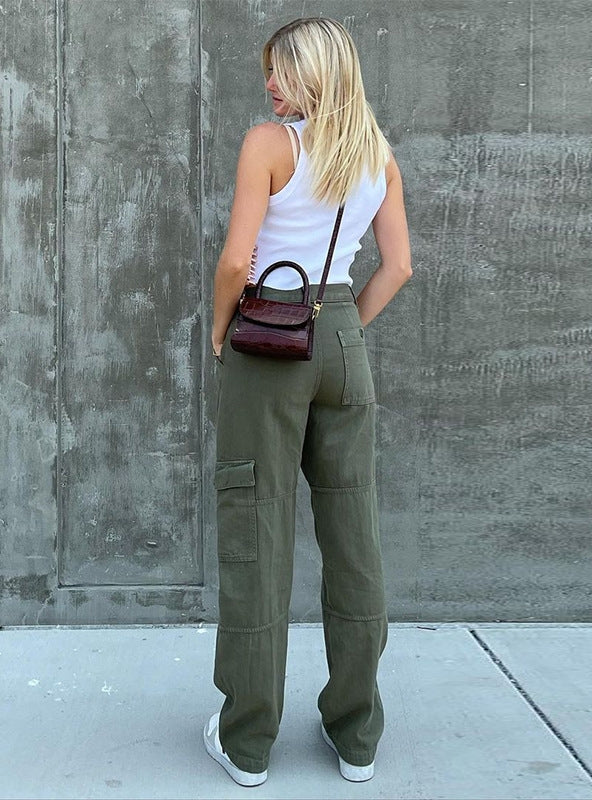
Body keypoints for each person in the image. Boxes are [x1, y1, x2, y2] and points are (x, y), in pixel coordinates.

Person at [203, 17, 412, 787]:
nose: (269, 85)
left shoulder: (269, 143)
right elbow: (398, 266)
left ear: (314, 73)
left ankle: (248, 741)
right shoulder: (377, 153)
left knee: (256, 530)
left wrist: (220, 331)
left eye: (281, 71)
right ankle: (357, 736)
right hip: (341, 336)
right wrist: (341, 330)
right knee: (353, 534)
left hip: (268, 338)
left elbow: (237, 261)